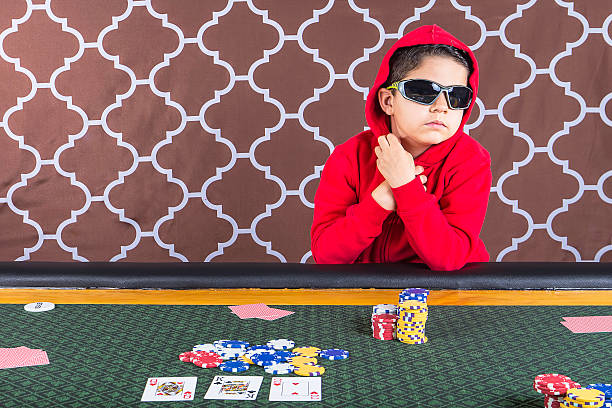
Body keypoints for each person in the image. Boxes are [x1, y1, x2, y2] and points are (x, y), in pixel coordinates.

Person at [310, 24, 491, 270]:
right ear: (388, 101)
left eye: (457, 95)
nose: (441, 106)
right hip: (364, 293)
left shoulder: (471, 161)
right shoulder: (349, 157)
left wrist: (406, 187)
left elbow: (449, 258)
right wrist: (382, 199)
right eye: (422, 91)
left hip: (449, 295)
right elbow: (327, 257)